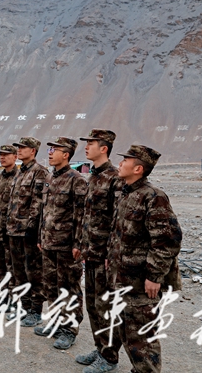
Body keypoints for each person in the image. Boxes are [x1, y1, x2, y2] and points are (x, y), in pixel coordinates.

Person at [106, 145, 182, 373]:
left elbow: (168, 240)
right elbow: (119, 234)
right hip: (122, 278)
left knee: (142, 338)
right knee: (127, 334)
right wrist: (111, 258)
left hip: (141, 281)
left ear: (138, 169)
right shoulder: (127, 193)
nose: (120, 164)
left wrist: (154, 276)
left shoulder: (154, 197)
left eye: (126, 160)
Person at [74, 129, 124, 373]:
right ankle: (101, 347)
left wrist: (111, 256)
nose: (86, 147)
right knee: (93, 306)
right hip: (90, 252)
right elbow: (86, 216)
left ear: (104, 148)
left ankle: (110, 356)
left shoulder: (114, 178)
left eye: (91, 143)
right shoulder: (93, 177)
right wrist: (80, 245)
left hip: (104, 256)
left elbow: (118, 220)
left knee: (105, 307)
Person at [35, 137, 87, 350]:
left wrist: (78, 244)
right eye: (50, 149)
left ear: (66, 155)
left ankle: (69, 329)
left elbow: (81, 215)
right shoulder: (50, 177)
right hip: (48, 243)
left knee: (69, 288)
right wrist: (40, 237)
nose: (50, 153)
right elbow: (44, 211)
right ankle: (56, 322)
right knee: (51, 286)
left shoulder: (77, 180)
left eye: (54, 150)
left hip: (66, 245)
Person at [7, 137, 50, 327]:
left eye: (23, 147)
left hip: (27, 232)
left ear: (33, 151)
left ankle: (35, 310)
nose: (19, 150)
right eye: (18, 147)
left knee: (34, 272)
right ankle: (23, 307)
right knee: (19, 273)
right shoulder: (20, 172)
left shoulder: (39, 172)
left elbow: (38, 203)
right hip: (14, 230)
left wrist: (32, 228)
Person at [0, 145, 18, 297]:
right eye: (1, 155)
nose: (2, 157)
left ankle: (13, 298)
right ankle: (4, 295)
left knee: (12, 267)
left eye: (6, 155)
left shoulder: (18, 178)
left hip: (10, 231)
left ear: (15, 157)